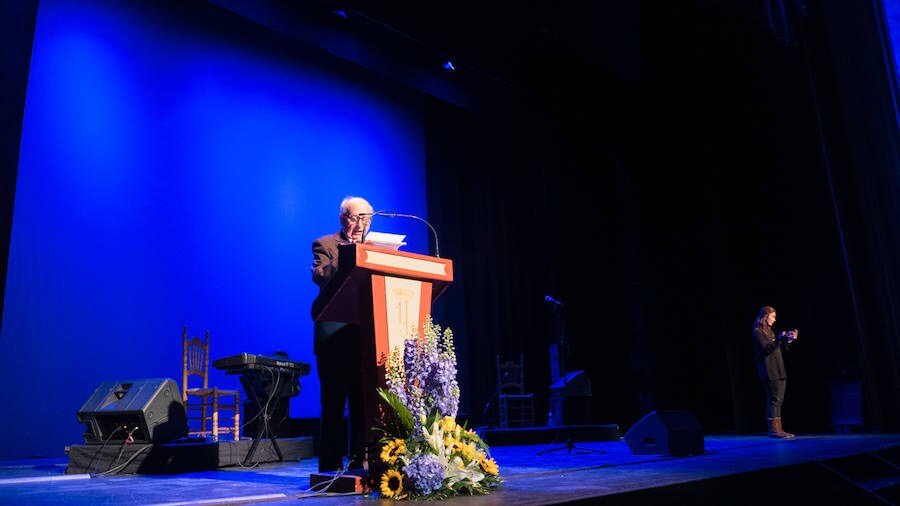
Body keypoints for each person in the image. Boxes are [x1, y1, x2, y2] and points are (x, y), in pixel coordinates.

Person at [310, 195, 374, 472]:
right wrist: (350, 250)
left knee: (361, 405)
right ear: (343, 219)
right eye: (356, 217)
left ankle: (360, 462)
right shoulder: (325, 244)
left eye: (367, 218)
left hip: (364, 335)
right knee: (334, 405)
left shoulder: (375, 248)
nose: (362, 223)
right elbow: (321, 277)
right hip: (333, 335)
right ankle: (329, 468)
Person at [751, 305, 799, 439]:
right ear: (765, 317)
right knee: (774, 399)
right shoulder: (757, 332)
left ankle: (779, 429)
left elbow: (777, 349)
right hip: (769, 370)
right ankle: (773, 430)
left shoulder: (770, 332)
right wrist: (780, 339)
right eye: (772, 317)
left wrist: (787, 339)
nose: (774, 320)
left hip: (779, 369)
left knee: (779, 400)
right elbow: (766, 350)